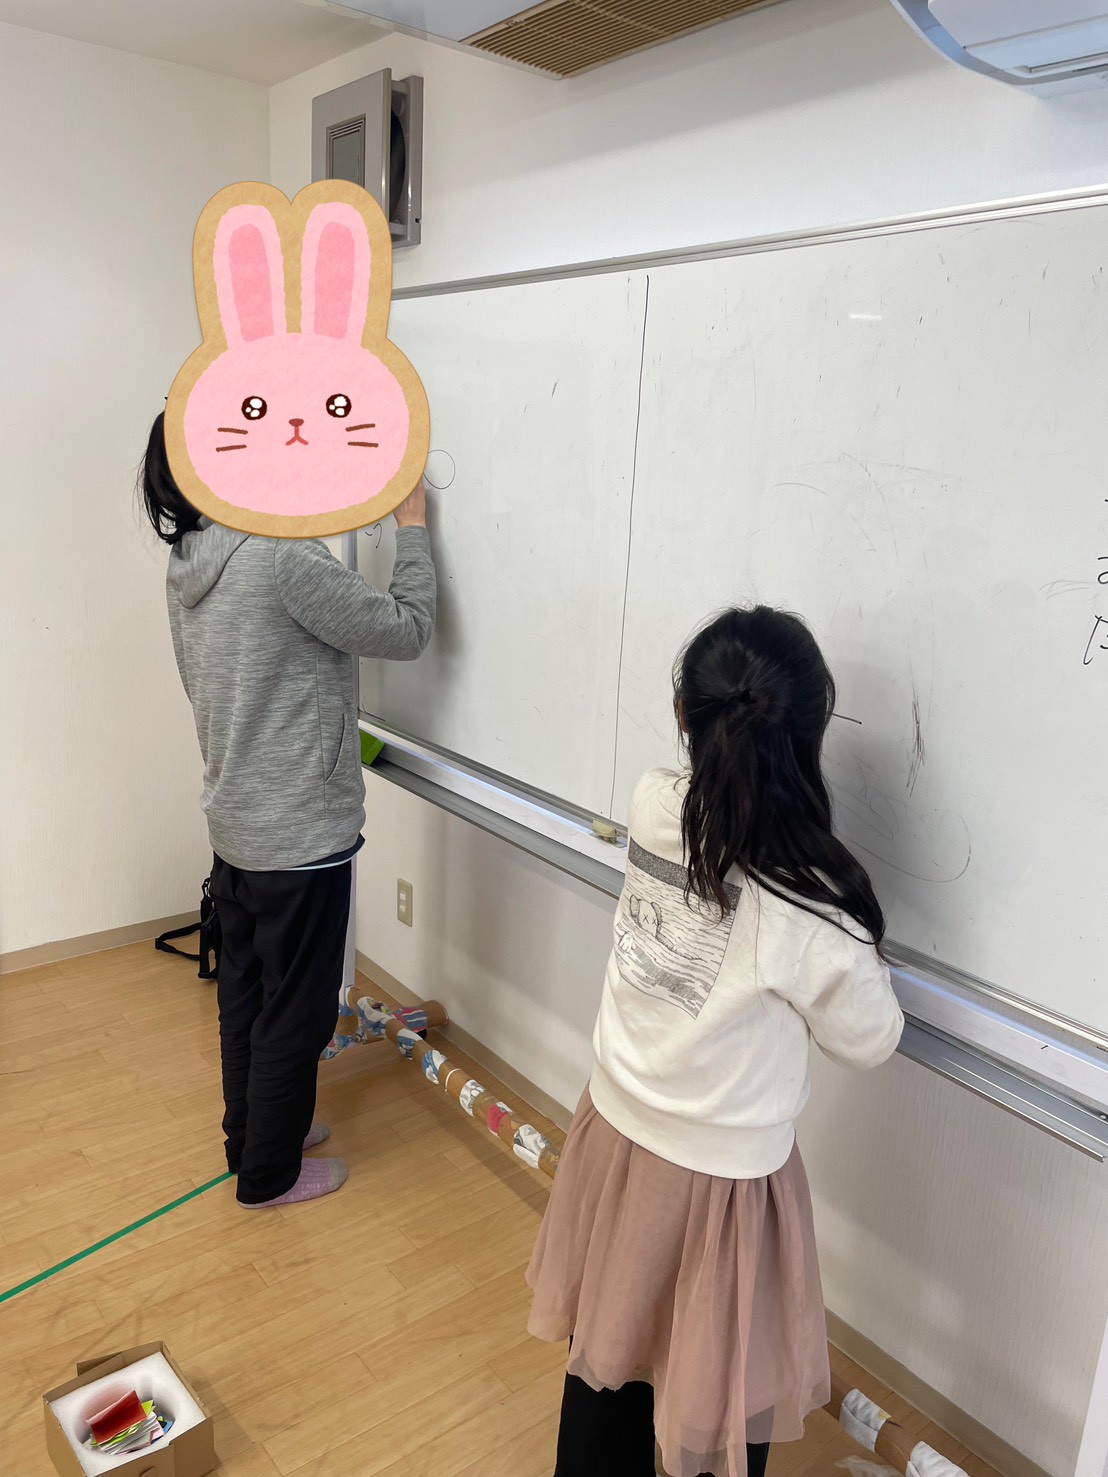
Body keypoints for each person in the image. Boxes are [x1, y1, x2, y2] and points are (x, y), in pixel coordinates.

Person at [526, 606, 904, 1477]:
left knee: (609, 1360)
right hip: (724, 1183)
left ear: (685, 715)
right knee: (716, 1395)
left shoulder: (653, 802)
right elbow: (872, 1037)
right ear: (809, 735)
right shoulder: (811, 899)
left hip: (615, 1136)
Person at [140, 411, 436, 1209]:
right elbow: (408, 628)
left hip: (236, 818)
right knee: (296, 1011)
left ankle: (255, 1138)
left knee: (248, 996)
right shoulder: (279, 557)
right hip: (301, 830)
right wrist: (412, 528)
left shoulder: (190, 557)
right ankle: (268, 1175)